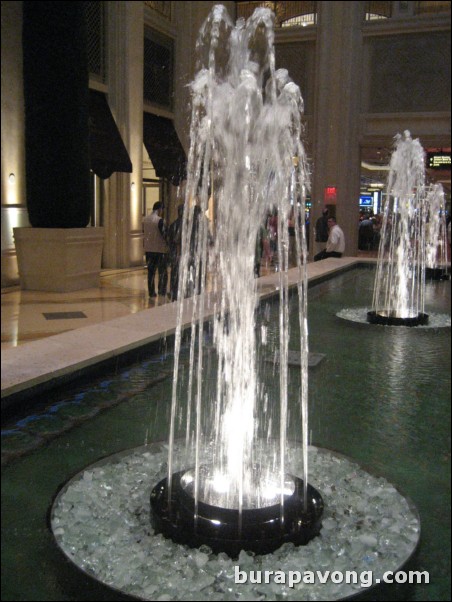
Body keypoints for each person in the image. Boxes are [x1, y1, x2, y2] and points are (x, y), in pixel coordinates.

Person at [142, 201, 169, 298]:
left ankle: (151, 292)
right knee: (162, 271)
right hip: (159, 250)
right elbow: (164, 235)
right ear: (160, 209)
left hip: (149, 250)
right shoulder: (159, 220)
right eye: (162, 209)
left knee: (151, 272)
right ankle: (161, 290)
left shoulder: (145, 219)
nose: (162, 212)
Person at [167, 204, 184, 301]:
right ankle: (179, 292)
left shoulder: (173, 224)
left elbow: (169, 239)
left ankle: (173, 292)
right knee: (181, 273)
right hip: (181, 253)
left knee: (174, 273)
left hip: (174, 253)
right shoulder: (185, 224)